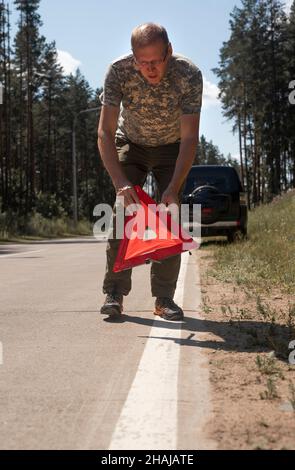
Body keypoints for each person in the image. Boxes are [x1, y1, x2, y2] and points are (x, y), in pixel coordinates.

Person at [97, 23, 203, 321]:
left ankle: (164, 298)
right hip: (131, 143)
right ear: (133, 57)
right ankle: (114, 293)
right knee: (123, 211)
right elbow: (104, 133)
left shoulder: (188, 74)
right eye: (143, 62)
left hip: (172, 147)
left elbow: (190, 138)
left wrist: (172, 188)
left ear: (169, 51)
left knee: (170, 213)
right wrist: (120, 182)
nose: (150, 68)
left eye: (156, 61)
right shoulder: (118, 72)